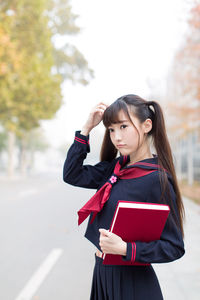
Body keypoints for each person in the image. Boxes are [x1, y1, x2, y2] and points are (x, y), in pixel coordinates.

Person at [63, 94, 185, 300]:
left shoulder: (156, 179)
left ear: (147, 125)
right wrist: (86, 129)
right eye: (111, 129)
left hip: (133, 284)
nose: (116, 137)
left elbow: (174, 246)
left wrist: (126, 248)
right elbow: (72, 174)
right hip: (102, 275)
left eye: (123, 127)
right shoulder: (116, 167)